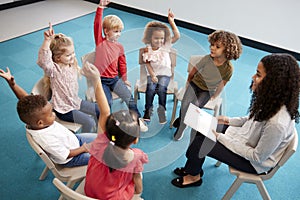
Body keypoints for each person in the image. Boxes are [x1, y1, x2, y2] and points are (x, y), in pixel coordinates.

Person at [171, 53, 300, 188]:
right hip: (245, 138)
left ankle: (193, 177)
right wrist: (228, 120)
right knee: (202, 129)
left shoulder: (277, 124)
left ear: (275, 83)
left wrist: (220, 137)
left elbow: (257, 157)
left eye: (258, 75)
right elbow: (250, 119)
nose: (253, 78)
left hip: (253, 163)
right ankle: (193, 168)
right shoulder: (273, 101)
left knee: (199, 144)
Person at [0, 66, 97, 167]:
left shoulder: (37, 120)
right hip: (73, 157)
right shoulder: (46, 139)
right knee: (102, 157)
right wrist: (84, 149)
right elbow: (66, 155)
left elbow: (25, 98)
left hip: (74, 140)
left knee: (102, 139)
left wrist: (12, 84)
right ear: (40, 123)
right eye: (51, 114)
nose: (54, 114)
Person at [83, 61, 148, 200]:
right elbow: (138, 187)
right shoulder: (136, 157)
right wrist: (138, 193)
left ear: (109, 133)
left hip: (90, 191)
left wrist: (96, 80)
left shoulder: (100, 143)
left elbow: (105, 111)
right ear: (135, 140)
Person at [173, 30, 242, 140]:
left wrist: (215, 95)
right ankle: (182, 121)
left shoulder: (228, 69)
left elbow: (222, 84)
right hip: (194, 85)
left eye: (217, 46)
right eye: (212, 45)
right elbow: (194, 71)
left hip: (207, 91)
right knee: (185, 104)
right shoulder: (207, 59)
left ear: (227, 50)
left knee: (193, 107)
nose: (212, 48)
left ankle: (182, 125)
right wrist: (188, 82)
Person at [93, 0, 148, 132]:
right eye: (116, 31)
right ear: (106, 31)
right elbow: (96, 25)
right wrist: (100, 8)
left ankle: (137, 119)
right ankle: (105, 125)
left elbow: (122, 63)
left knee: (129, 98)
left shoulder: (120, 47)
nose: (119, 34)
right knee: (107, 104)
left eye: (120, 31)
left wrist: (124, 79)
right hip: (101, 81)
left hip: (114, 79)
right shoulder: (100, 42)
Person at [37, 23, 100, 133]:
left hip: (75, 102)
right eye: (68, 55)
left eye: (73, 53)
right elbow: (43, 61)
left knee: (100, 109)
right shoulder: (54, 70)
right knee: (89, 122)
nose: (73, 56)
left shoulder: (71, 64)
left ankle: (100, 133)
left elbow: (81, 72)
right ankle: (83, 141)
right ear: (57, 58)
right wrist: (47, 41)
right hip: (63, 109)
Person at [141, 8, 180, 124]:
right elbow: (147, 63)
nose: (159, 41)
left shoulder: (166, 45)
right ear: (150, 38)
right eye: (156, 38)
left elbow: (177, 36)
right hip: (153, 74)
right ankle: (148, 109)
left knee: (162, 89)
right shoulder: (147, 48)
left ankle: (161, 109)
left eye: (162, 38)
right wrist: (152, 75)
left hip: (165, 74)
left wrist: (172, 22)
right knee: (151, 89)